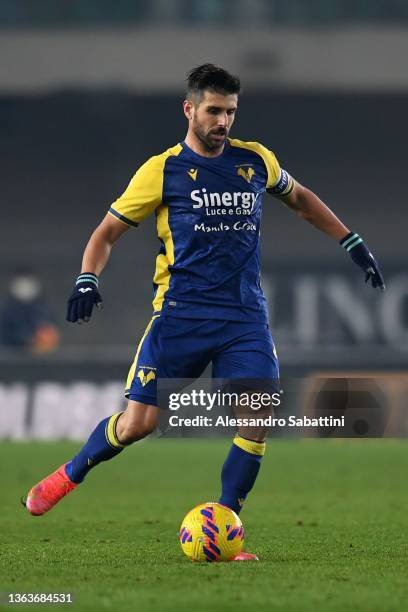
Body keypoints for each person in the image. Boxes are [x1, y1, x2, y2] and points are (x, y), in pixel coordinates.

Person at [24, 64, 384, 560]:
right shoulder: (161, 170)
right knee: (136, 426)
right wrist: (88, 276)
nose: (223, 121)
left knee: (258, 415)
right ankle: (70, 473)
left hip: (243, 318)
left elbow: (300, 199)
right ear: (189, 109)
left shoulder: (255, 161)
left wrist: (351, 240)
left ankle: (225, 523)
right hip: (179, 317)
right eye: (214, 110)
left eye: (231, 112)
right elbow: (106, 232)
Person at [1, 269, 60, 352]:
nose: (25, 286)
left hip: (38, 358)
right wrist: (29, 339)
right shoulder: (7, 310)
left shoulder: (43, 308)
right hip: (10, 356)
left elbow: (50, 330)